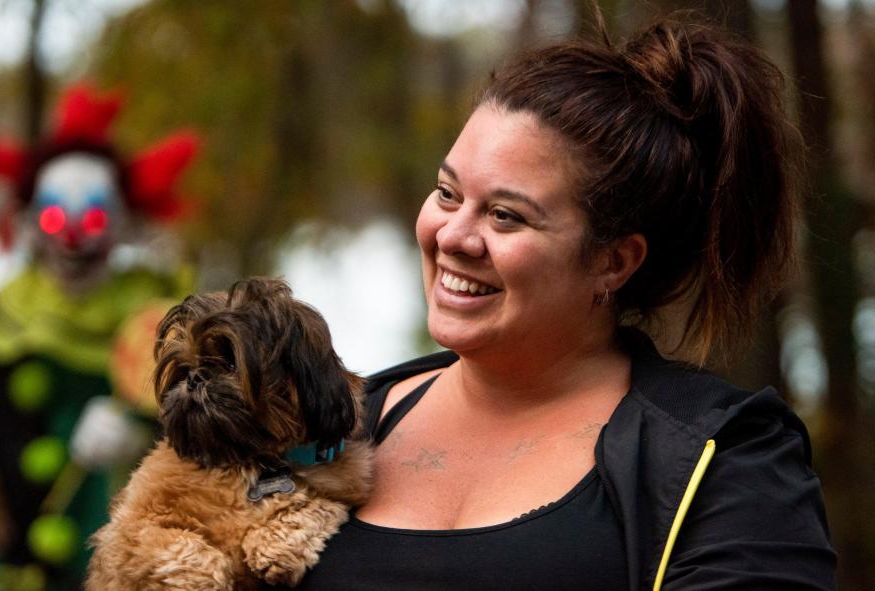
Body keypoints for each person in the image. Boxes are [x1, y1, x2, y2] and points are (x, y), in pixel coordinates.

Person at [295, 14, 836, 591]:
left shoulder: (725, 458)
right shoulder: (332, 423)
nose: (453, 236)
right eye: (448, 193)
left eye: (506, 215)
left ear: (614, 261)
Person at [0, 84, 198, 591]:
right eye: (53, 215)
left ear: (126, 223)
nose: (72, 236)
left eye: (92, 216)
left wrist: (150, 443)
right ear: (25, 222)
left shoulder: (176, 335)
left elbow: (231, 460)